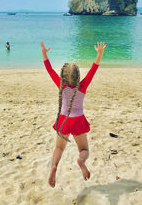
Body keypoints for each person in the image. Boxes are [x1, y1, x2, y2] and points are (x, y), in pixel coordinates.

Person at [40, 40, 107, 188]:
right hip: (78, 121)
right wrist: (100, 53)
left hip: (63, 120)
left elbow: (49, 69)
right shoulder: (83, 85)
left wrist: (44, 53)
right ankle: (81, 161)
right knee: (84, 150)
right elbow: (93, 69)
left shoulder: (60, 85)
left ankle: (54, 167)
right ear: (77, 77)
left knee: (59, 148)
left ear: (63, 76)